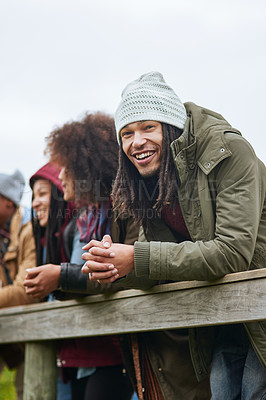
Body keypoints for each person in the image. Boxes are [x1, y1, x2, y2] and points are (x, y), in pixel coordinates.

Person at [81, 72, 266, 400]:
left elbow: (233, 252)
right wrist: (112, 267)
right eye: (126, 133)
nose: (136, 142)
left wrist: (135, 257)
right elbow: (155, 264)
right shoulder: (153, 181)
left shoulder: (228, 150)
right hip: (225, 313)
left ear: (171, 126)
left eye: (147, 127)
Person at [24, 113, 136, 400]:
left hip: (113, 348)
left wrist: (59, 276)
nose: (60, 177)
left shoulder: (120, 211)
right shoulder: (79, 222)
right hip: (80, 349)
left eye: (66, 168)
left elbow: (109, 274)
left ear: (86, 167)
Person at [28, 162, 75, 400]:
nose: (35, 203)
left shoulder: (75, 230)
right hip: (59, 349)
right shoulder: (44, 239)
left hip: (86, 352)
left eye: (43, 194)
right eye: (34, 196)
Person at [0, 169, 36, 400]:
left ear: (8, 203)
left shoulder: (28, 231)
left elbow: (26, 291)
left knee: (30, 392)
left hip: (30, 331)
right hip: (5, 326)